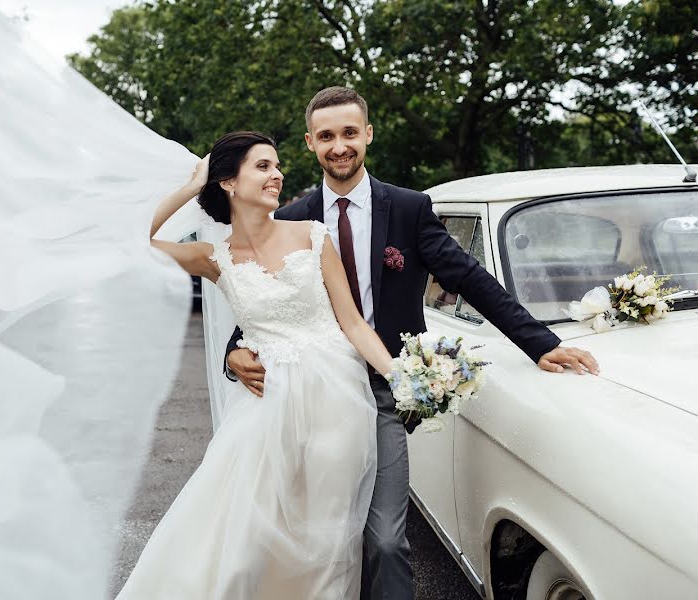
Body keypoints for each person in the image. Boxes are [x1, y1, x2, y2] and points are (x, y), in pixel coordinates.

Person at [224, 87, 600, 600]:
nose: (340, 146)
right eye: (327, 136)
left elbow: (470, 277)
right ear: (311, 142)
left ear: (368, 135)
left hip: (382, 391)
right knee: (316, 536)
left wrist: (540, 343)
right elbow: (261, 302)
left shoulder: (408, 208)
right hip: (307, 398)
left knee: (383, 539)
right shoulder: (289, 218)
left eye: (350, 133)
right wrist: (232, 354)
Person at [117, 131, 398, 599]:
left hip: (337, 399)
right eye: (263, 166)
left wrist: (400, 376)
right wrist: (191, 186)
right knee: (245, 532)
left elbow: (352, 323)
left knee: (325, 536)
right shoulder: (214, 257)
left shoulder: (313, 235)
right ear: (229, 182)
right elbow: (134, 241)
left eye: (277, 165)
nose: (277, 175)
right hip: (264, 404)